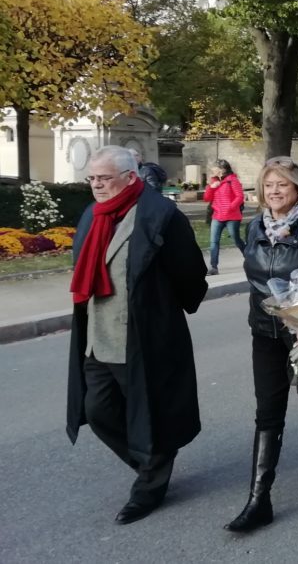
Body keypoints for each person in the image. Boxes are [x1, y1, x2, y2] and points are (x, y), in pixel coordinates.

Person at [67, 145, 207, 525]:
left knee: (152, 412)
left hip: (143, 336)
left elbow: (189, 273)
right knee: (98, 411)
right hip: (98, 336)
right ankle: (151, 464)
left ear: (130, 177)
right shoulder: (92, 214)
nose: (96, 185)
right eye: (92, 178)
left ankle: (149, 484)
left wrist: (163, 313)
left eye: (104, 178)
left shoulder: (160, 216)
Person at [224, 157, 298, 533]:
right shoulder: (256, 225)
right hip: (265, 333)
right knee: (267, 413)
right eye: (268, 185)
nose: (274, 191)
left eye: (282, 185)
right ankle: (260, 499)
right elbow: (257, 278)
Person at [204, 159, 246, 275]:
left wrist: (229, 208)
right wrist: (211, 187)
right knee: (214, 242)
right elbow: (206, 198)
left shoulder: (232, 180)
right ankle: (213, 267)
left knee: (236, 240)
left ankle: (250, 258)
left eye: (214, 167)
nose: (212, 170)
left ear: (221, 169)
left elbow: (239, 197)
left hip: (232, 216)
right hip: (217, 216)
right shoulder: (213, 181)